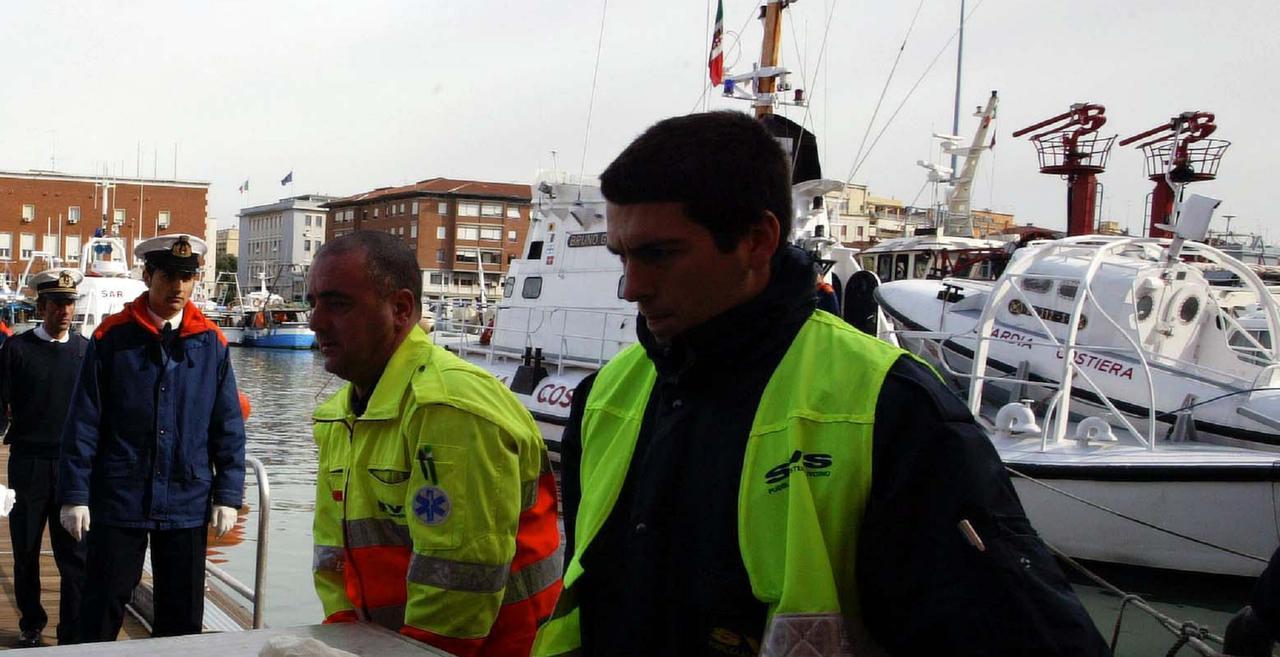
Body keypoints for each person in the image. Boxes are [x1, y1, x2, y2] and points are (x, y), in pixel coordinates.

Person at [534, 111, 1109, 657]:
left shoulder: (891, 410)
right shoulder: (606, 395)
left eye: (659, 255)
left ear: (758, 240)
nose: (631, 287)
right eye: (622, 258)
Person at [307, 232, 561, 656]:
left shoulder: (450, 410)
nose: (315, 321)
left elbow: (457, 592)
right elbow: (333, 558)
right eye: (313, 302)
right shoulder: (339, 414)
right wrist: (343, 638)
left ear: (401, 309)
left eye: (338, 304)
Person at [58, 234, 245, 642]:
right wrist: (75, 495)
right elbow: (84, 421)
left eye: (187, 276)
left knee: (182, 619)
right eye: (168, 275)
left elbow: (227, 426)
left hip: (186, 499)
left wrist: (228, 495)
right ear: (148, 275)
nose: (177, 286)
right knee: (101, 608)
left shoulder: (211, 343)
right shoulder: (112, 339)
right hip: (120, 498)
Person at [0, 269, 89, 647]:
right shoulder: (16, 350)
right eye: (57, 304)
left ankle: (71, 630)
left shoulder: (86, 351)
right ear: (42, 306)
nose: (65, 311)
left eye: (69, 303)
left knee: (75, 556)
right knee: (26, 550)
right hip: (29, 463)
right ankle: (31, 624)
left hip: (72, 466)